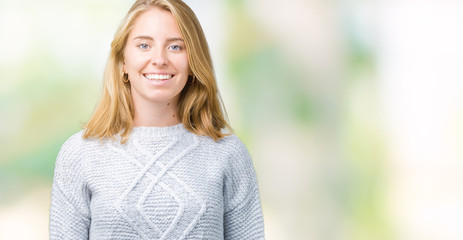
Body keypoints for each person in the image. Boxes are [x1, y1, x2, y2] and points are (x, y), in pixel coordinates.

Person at [48, 0, 265, 239]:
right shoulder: (79, 155)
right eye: (144, 45)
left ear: (193, 62)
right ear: (123, 62)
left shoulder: (229, 155)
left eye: (175, 47)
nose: (159, 59)